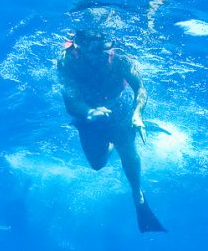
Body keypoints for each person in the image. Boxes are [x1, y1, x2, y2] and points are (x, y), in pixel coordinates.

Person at [58, 28, 166, 232]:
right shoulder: (67, 61)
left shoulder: (120, 58)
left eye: (100, 50)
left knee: (127, 148)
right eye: (90, 50)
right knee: (97, 164)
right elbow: (71, 102)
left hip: (120, 106)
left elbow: (140, 88)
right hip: (90, 114)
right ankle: (113, 141)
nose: (96, 55)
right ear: (78, 45)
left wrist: (137, 114)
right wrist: (89, 112)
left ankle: (138, 197)